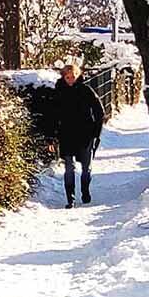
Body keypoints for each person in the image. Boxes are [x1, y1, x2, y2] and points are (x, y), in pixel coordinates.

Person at [53, 59, 104, 209]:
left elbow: (99, 111)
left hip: (85, 134)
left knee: (86, 167)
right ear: (63, 77)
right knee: (69, 167)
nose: (70, 80)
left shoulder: (86, 90)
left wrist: (96, 131)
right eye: (67, 77)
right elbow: (52, 115)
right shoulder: (58, 92)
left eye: (73, 77)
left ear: (78, 75)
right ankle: (70, 198)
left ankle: (85, 190)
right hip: (66, 134)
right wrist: (52, 136)